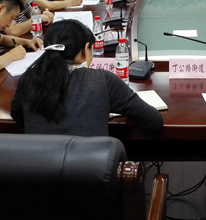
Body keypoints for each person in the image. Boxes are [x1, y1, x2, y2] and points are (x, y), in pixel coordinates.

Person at [10, 20, 164, 136]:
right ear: (85, 50)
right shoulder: (102, 81)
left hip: (38, 168)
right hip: (90, 169)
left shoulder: (28, 78)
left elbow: (18, 116)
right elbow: (153, 121)